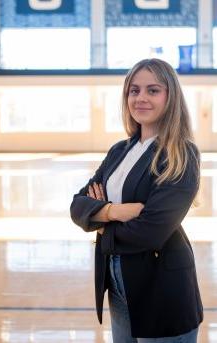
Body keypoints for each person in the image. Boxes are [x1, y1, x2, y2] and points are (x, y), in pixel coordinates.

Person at [70, 58, 203, 342]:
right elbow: (78, 205)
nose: (141, 98)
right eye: (134, 90)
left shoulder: (181, 153)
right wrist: (115, 212)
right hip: (119, 283)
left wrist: (100, 219)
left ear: (171, 97)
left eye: (153, 90)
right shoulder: (119, 150)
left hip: (162, 286)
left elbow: (150, 231)